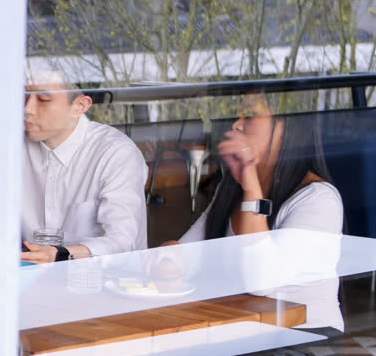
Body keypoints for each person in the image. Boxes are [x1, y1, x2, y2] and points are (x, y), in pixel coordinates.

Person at [166, 91, 345, 331]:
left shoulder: (318, 199)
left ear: (285, 128)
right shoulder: (233, 185)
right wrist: (166, 259)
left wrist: (251, 188)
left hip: (305, 336)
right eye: (237, 116)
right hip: (246, 329)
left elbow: (262, 282)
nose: (237, 125)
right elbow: (188, 254)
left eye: (250, 116)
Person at [20, 70, 148, 264]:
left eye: (43, 99)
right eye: (25, 95)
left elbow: (123, 240)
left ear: (79, 106)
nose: (27, 109)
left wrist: (60, 254)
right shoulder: (10, 148)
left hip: (107, 277)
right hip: (29, 275)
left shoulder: (116, 152)